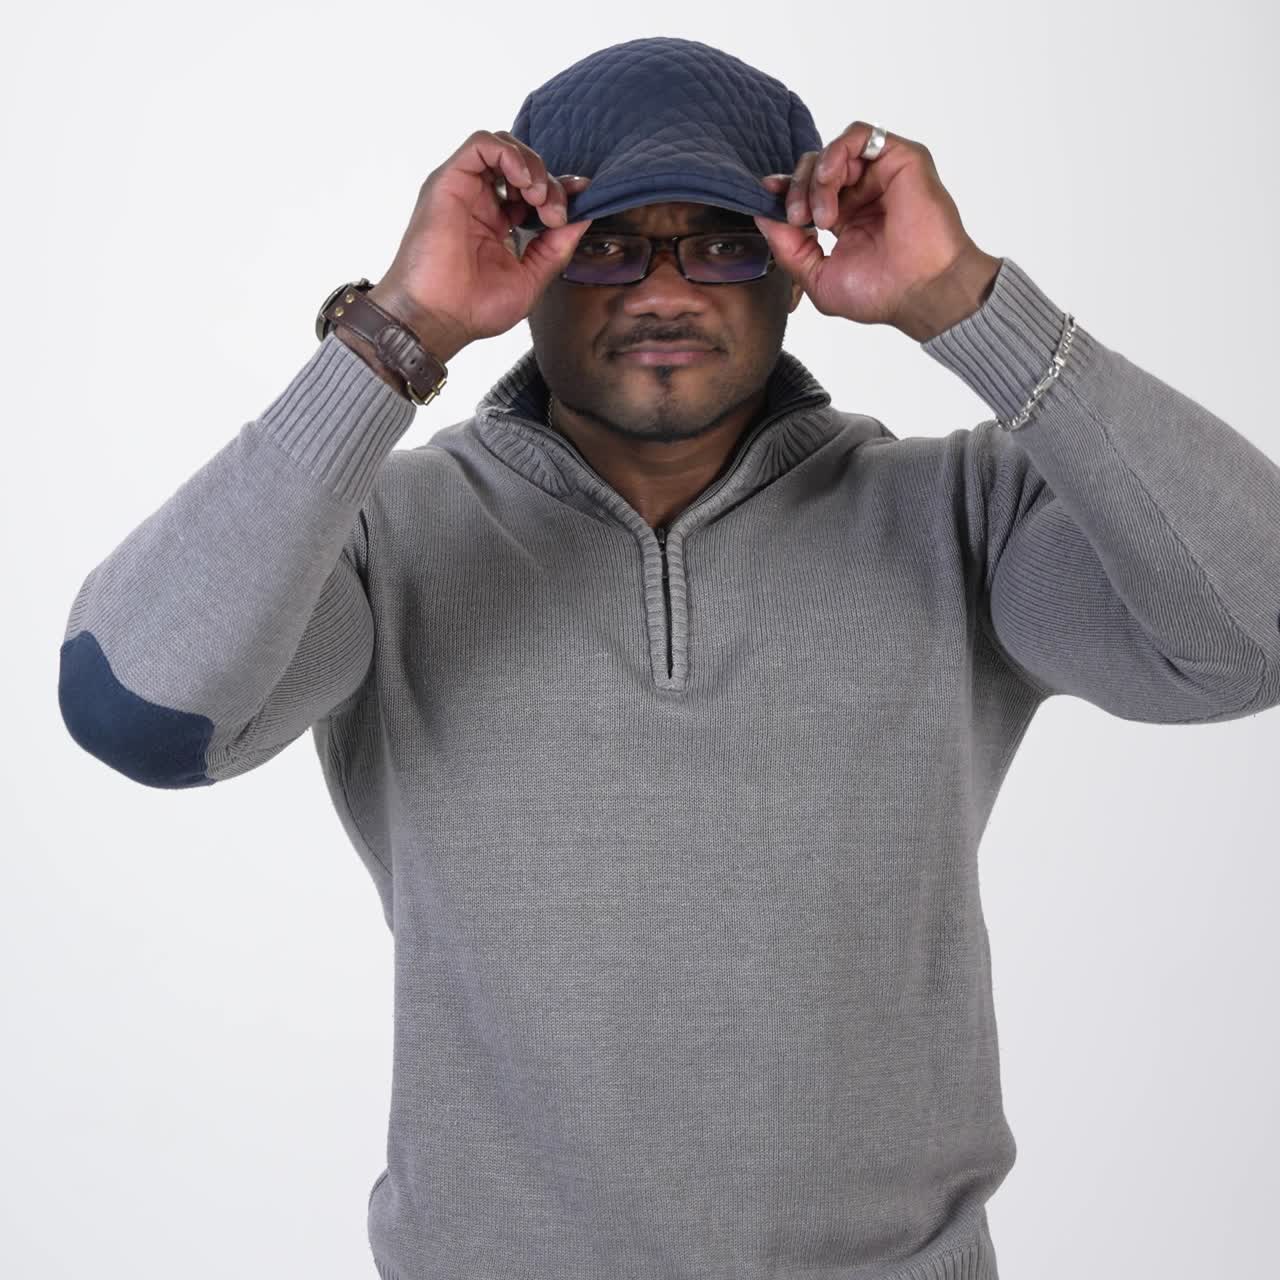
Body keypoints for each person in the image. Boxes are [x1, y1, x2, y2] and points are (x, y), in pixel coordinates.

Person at [58, 35, 1280, 1280]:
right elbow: (135, 708)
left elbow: (1251, 639)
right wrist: (397, 330)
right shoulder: (385, 536)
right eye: (605, 245)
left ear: (793, 270)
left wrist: (969, 304)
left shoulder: (961, 515)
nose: (662, 290)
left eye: (721, 242)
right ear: (524, 264)